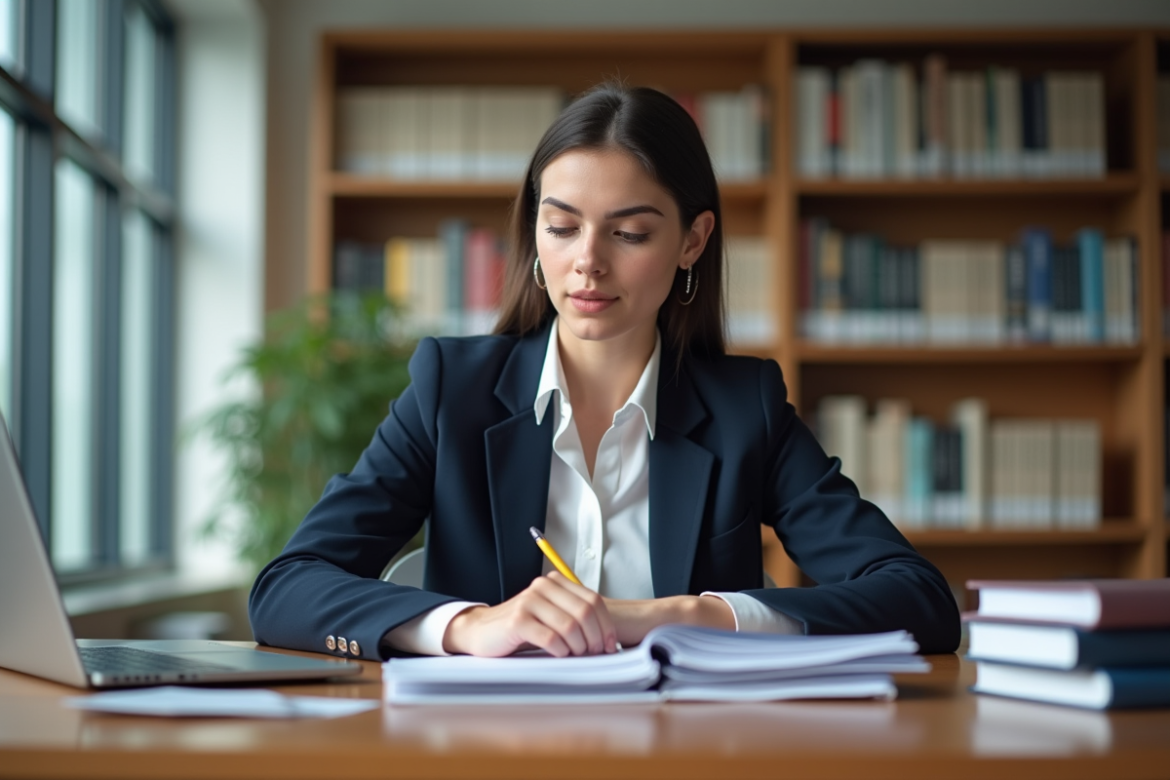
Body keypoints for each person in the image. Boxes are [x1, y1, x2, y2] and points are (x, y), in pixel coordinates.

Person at [249, 84, 961, 661]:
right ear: (534, 231)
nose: (588, 261)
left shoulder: (748, 407)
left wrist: (685, 615)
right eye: (561, 227)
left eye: (629, 233)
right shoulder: (451, 392)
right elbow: (286, 588)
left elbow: (918, 601)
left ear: (692, 240)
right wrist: (470, 626)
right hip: (486, 757)